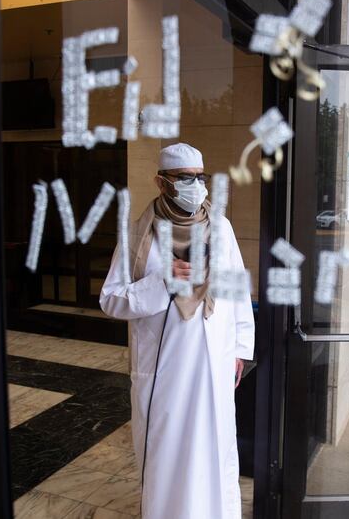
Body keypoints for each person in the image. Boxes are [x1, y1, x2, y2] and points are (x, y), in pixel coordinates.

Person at [99, 142, 255, 519]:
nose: (197, 185)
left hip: (214, 360)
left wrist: (239, 348)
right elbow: (111, 299)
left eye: (201, 177)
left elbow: (236, 289)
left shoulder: (220, 226)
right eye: (186, 178)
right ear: (161, 182)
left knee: (213, 445)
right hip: (164, 368)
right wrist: (162, 281)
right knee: (168, 448)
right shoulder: (140, 235)